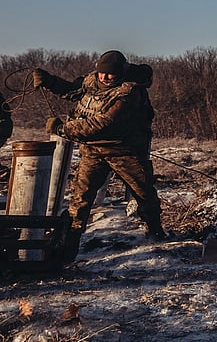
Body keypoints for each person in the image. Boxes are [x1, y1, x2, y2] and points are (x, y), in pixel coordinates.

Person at [32, 50, 165, 260]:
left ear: (121, 73)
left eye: (110, 74)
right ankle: (67, 250)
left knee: (144, 193)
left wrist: (61, 129)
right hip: (93, 151)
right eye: (102, 73)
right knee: (80, 199)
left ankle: (157, 234)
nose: (105, 78)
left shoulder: (129, 92)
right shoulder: (93, 81)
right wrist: (50, 81)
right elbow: (73, 90)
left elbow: (101, 124)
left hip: (125, 152)